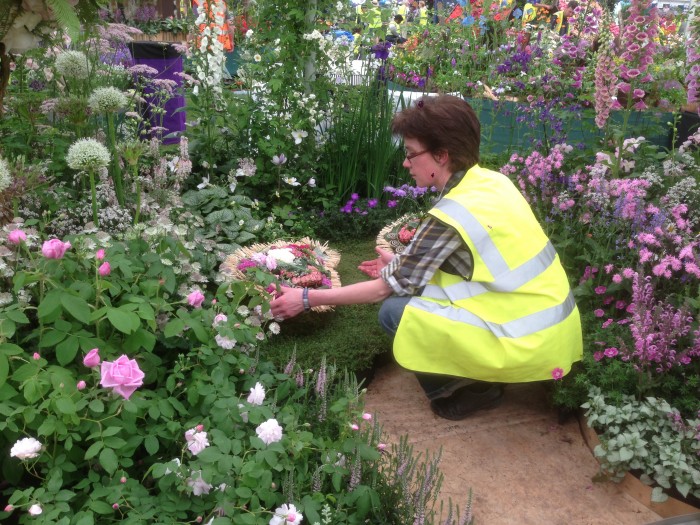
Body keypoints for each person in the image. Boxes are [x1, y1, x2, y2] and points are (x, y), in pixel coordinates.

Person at [270, 95, 583, 421]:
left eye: (410, 154)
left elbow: (381, 291)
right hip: (549, 324)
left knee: (394, 312)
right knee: (410, 289)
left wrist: (305, 298)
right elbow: (475, 259)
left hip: (528, 341)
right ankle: (480, 375)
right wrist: (400, 263)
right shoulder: (491, 182)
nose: (405, 163)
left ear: (441, 155)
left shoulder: (449, 215)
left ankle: (469, 390)